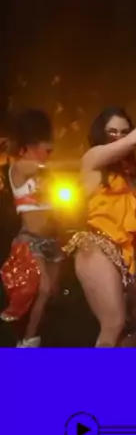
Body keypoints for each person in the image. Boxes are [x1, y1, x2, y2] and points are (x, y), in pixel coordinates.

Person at [64, 108, 136, 347]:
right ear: (100, 134)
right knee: (113, 323)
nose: (119, 137)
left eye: (124, 132)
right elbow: (133, 141)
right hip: (97, 247)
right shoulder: (93, 158)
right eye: (112, 132)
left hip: (132, 253)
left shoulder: (135, 173)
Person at [0, 110, 76, 347]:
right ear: (31, 145)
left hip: (52, 241)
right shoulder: (20, 167)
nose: (50, 154)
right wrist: (90, 161)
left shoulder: (44, 171)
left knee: (51, 293)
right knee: (43, 289)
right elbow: (64, 165)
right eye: (47, 149)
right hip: (30, 240)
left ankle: (34, 337)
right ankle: (27, 342)